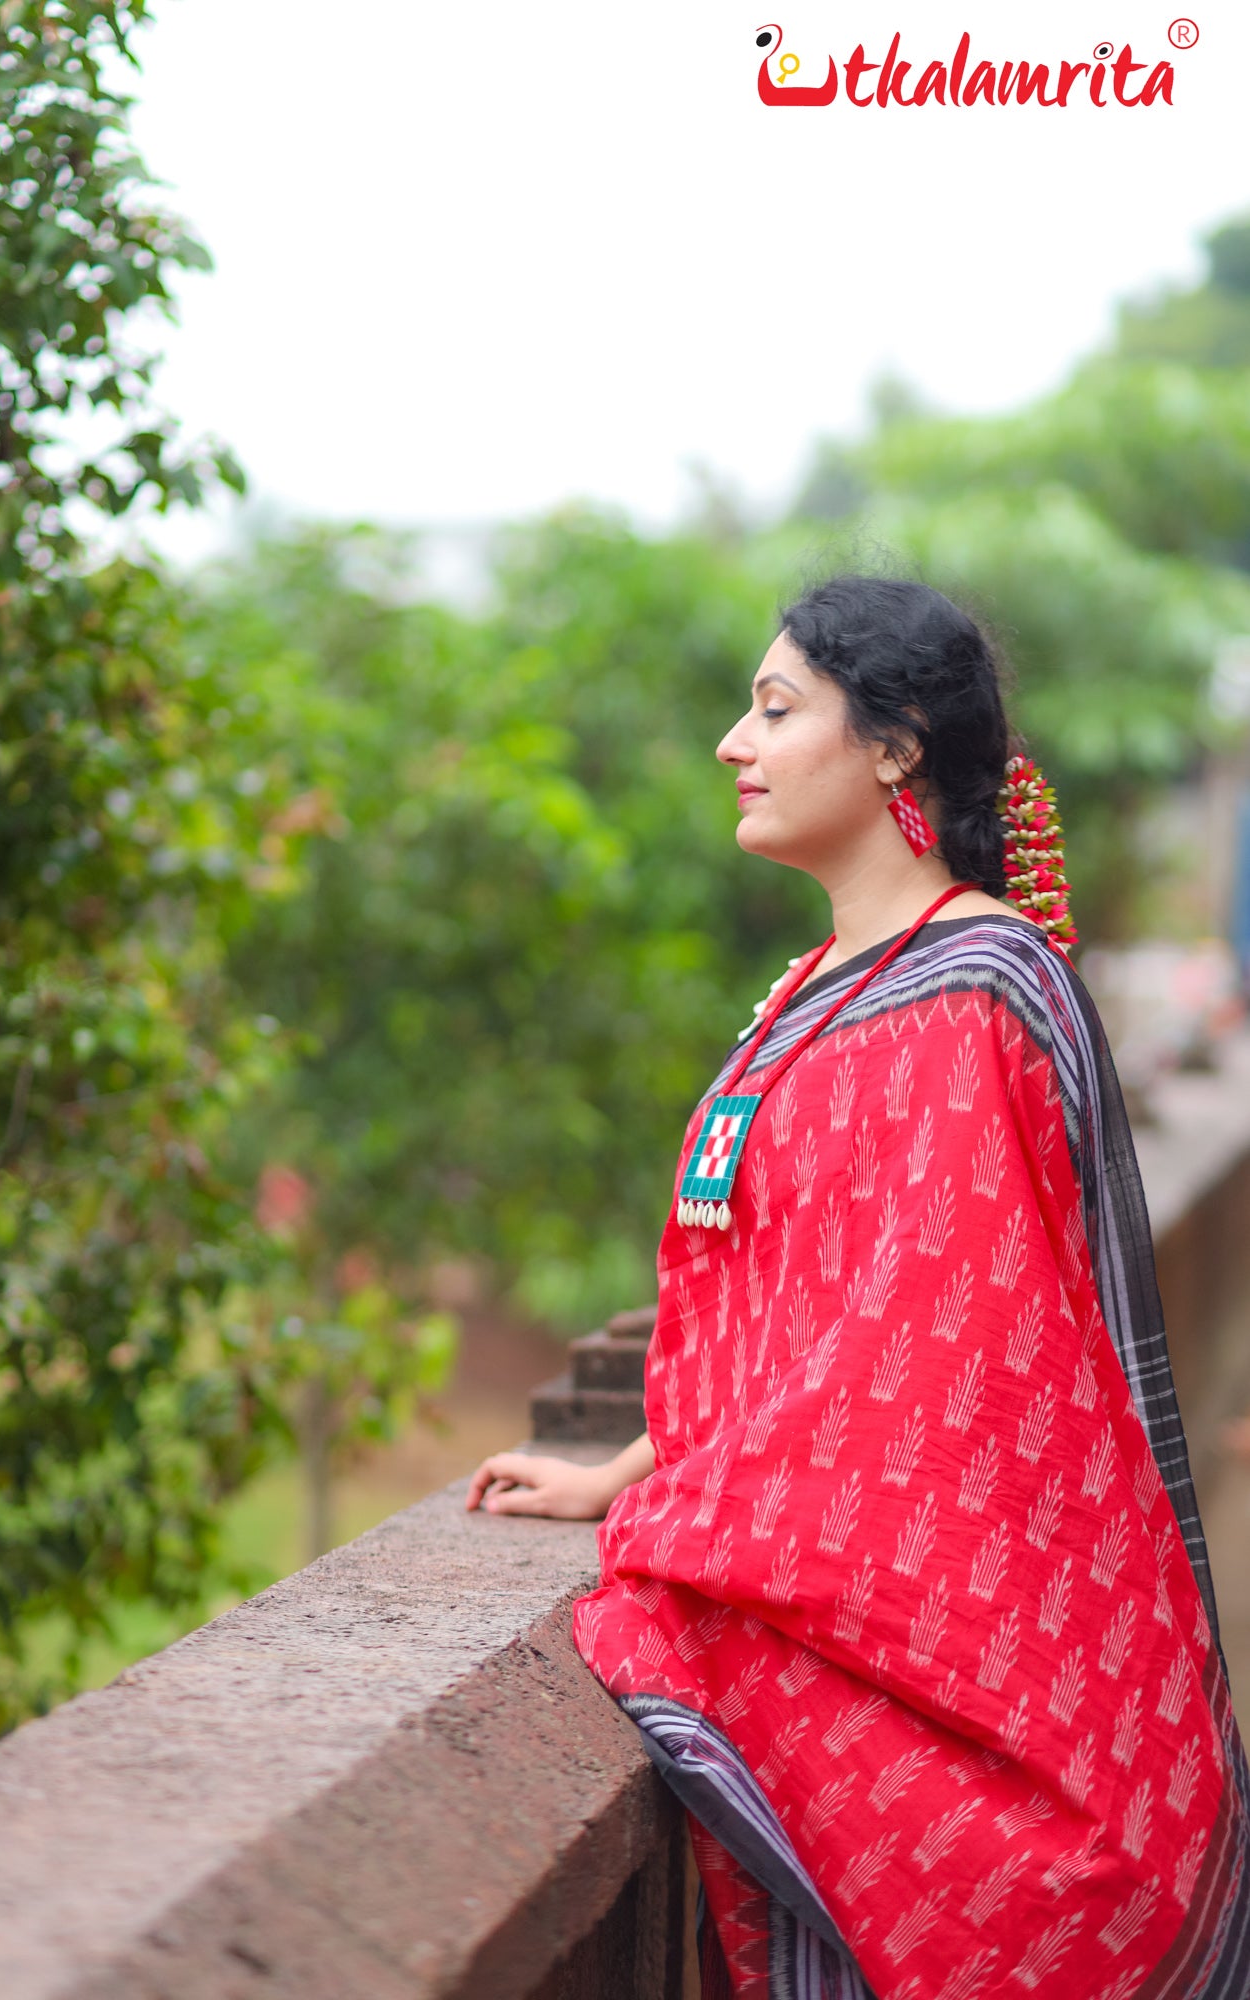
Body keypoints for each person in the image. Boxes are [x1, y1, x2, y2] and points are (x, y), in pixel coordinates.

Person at [467, 575, 1250, 1999]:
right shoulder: (834, 976)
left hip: (1000, 1682)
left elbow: (925, 1373)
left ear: (894, 748)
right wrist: (636, 1464)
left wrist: (677, 1513)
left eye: (774, 709)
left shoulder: (962, 998)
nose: (730, 742)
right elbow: (811, 1320)